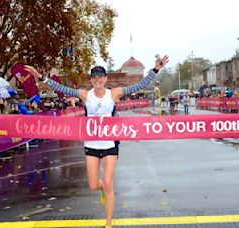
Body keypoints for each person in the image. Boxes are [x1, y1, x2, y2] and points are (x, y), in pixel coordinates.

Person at [25, 55, 169, 227]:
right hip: (92, 144)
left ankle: (108, 223)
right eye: (94, 77)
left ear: (105, 78)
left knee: (108, 183)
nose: (97, 80)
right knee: (94, 185)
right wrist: (40, 77)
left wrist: (155, 69)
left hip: (110, 144)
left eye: (100, 76)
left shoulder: (114, 93)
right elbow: (60, 87)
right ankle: (103, 190)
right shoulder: (85, 95)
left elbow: (139, 85)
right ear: (91, 80)